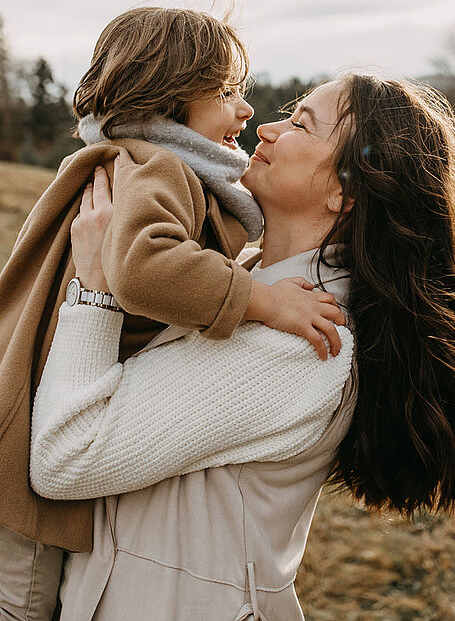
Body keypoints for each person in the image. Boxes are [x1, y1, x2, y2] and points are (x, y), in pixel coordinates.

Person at [30, 72, 455, 619]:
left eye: (302, 124)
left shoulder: (305, 343)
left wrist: (94, 292)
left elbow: (67, 460)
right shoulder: (244, 281)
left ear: (343, 190)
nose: (269, 126)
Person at [0, 7, 344, 620]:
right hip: (21, 455)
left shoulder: (139, 165)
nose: (249, 113)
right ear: (170, 98)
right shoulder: (158, 167)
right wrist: (263, 300)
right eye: (228, 92)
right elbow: (144, 266)